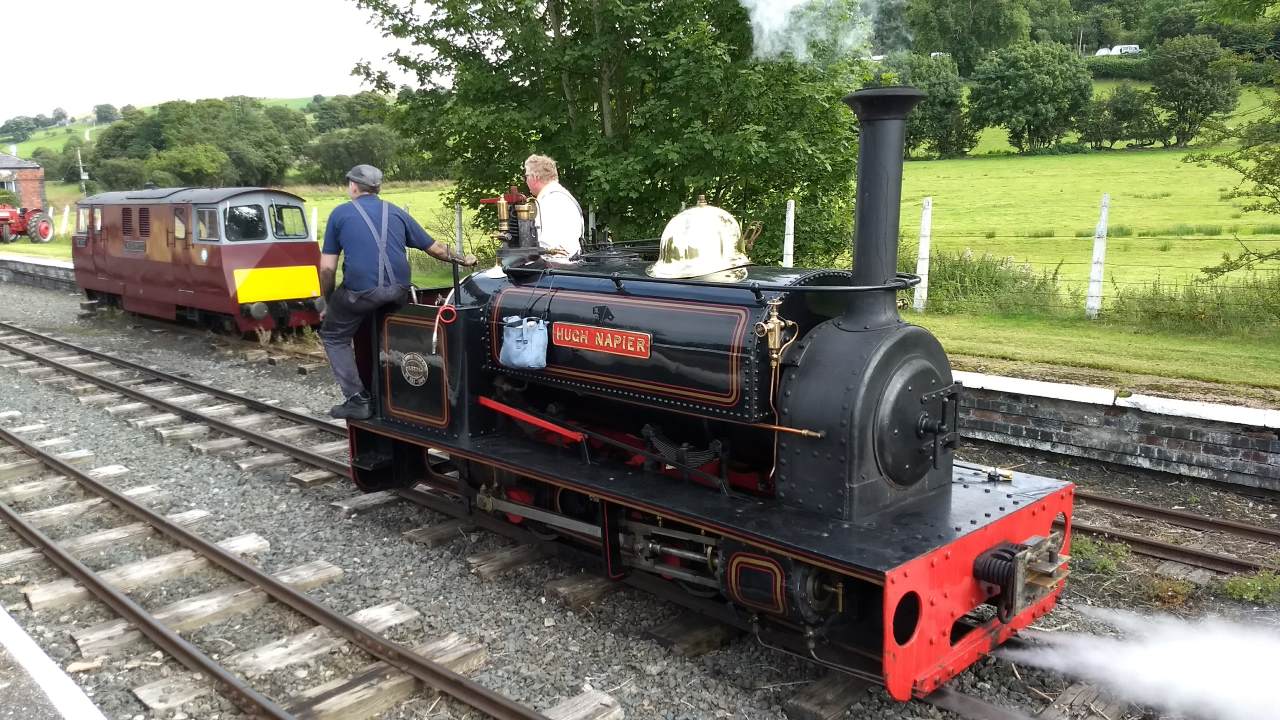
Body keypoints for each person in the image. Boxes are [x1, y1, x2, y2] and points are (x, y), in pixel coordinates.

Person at [319, 164, 476, 420]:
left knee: (333, 334)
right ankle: (397, 388)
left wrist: (328, 301)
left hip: (361, 293)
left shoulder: (340, 214)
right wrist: (462, 259)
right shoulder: (395, 212)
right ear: (378, 188)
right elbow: (435, 248)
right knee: (387, 327)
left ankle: (356, 398)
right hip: (398, 291)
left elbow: (327, 269)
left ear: (354, 186)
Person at [523, 154, 584, 258]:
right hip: (566, 266)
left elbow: (548, 246)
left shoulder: (550, 201)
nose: (526, 181)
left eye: (526, 176)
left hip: (555, 267)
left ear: (535, 176)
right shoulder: (561, 195)